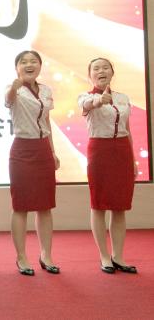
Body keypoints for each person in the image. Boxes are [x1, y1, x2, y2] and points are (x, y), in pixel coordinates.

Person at [78, 58, 138, 274]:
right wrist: (99, 100)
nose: (101, 71)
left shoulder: (123, 98)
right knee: (99, 204)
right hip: (100, 152)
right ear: (90, 75)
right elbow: (88, 105)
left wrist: (132, 159)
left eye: (105, 67)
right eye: (96, 68)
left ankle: (118, 256)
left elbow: (127, 130)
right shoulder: (85, 97)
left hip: (122, 152)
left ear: (112, 72)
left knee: (119, 206)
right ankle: (104, 256)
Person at [5, 51, 60, 276]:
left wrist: (53, 151)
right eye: (23, 62)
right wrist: (14, 87)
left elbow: (46, 121)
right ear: (17, 68)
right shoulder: (13, 88)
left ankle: (46, 255)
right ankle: (21, 257)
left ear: (39, 65)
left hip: (43, 149)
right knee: (21, 206)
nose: (29, 65)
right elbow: (8, 100)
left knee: (45, 206)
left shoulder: (46, 90)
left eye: (33, 61)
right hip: (22, 150)